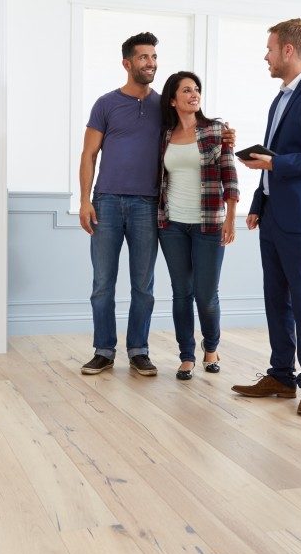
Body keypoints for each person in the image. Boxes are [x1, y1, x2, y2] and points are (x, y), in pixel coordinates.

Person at [78, 33, 235, 377]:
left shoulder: (163, 107)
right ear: (127, 63)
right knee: (102, 283)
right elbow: (89, 154)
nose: (151, 62)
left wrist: (225, 135)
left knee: (143, 285)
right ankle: (103, 350)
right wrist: (85, 200)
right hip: (106, 202)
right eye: (143, 57)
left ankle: (139, 350)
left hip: (148, 206)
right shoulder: (105, 104)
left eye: (153, 56)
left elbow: (194, 131)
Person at [231, 18, 301, 416]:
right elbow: (273, 158)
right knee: (275, 299)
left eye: (270, 48)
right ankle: (281, 375)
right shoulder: (280, 98)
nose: (266, 55)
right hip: (273, 214)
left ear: (289, 51)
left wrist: (275, 164)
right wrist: (258, 204)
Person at [157, 71, 239, 381]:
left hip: (209, 224)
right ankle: (187, 356)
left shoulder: (216, 131)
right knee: (181, 293)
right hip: (171, 225)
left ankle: (212, 347)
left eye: (197, 90)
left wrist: (231, 219)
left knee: (206, 295)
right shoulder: (164, 135)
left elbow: (230, 177)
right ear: (173, 99)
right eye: (187, 90)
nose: (194, 94)